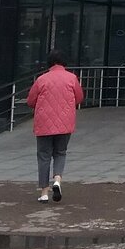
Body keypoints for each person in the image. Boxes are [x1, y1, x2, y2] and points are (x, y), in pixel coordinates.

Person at [26, 50, 84, 202]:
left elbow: (30, 101)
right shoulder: (72, 78)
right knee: (60, 152)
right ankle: (57, 180)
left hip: (44, 123)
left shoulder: (42, 79)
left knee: (44, 156)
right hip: (65, 123)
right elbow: (79, 98)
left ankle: (44, 192)